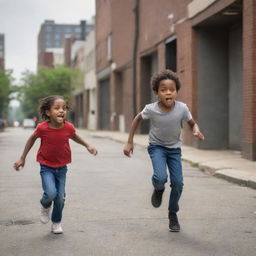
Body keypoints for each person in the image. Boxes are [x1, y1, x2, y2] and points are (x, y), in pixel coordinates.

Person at [123, 70, 204, 232]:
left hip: (174, 150)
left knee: (178, 183)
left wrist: (196, 130)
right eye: (164, 90)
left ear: (176, 92)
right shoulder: (151, 109)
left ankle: (173, 213)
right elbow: (137, 119)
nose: (168, 92)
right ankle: (159, 188)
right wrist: (129, 142)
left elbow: (192, 123)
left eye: (172, 89)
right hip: (157, 147)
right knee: (160, 178)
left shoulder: (182, 108)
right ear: (157, 93)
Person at [14, 95, 97, 234]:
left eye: (64, 108)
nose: (61, 111)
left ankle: (56, 222)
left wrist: (87, 145)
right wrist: (22, 158)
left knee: (60, 198)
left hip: (62, 167)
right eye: (57, 108)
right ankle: (45, 205)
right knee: (51, 193)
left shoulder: (68, 127)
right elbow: (31, 139)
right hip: (46, 166)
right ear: (48, 112)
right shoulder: (42, 128)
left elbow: (74, 136)